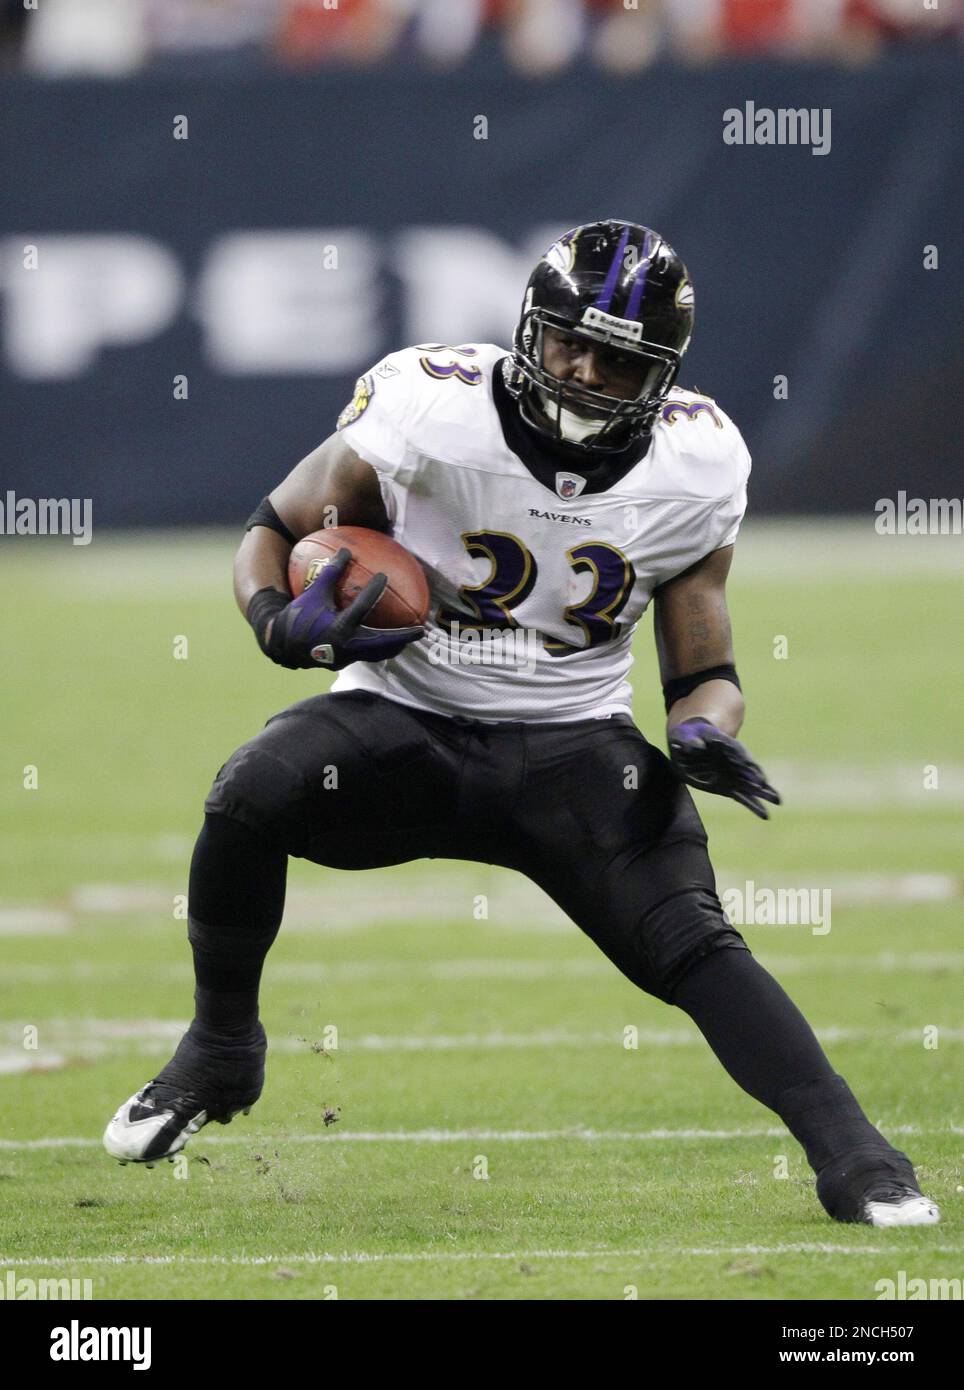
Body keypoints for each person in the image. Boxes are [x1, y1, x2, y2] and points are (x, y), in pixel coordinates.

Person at [104, 219, 939, 1227]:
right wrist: (274, 621)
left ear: (661, 375)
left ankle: (858, 1158)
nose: (584, 373)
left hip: (573, 748)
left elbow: (705, 663)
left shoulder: (700, 461)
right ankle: (220, 1050)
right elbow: (278, 526)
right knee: (252, 790)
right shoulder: (429, 408)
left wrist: (704, 730)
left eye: (619, 362)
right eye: (568, 343)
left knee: (691, 939)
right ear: (527, 329)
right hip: (403, 718)